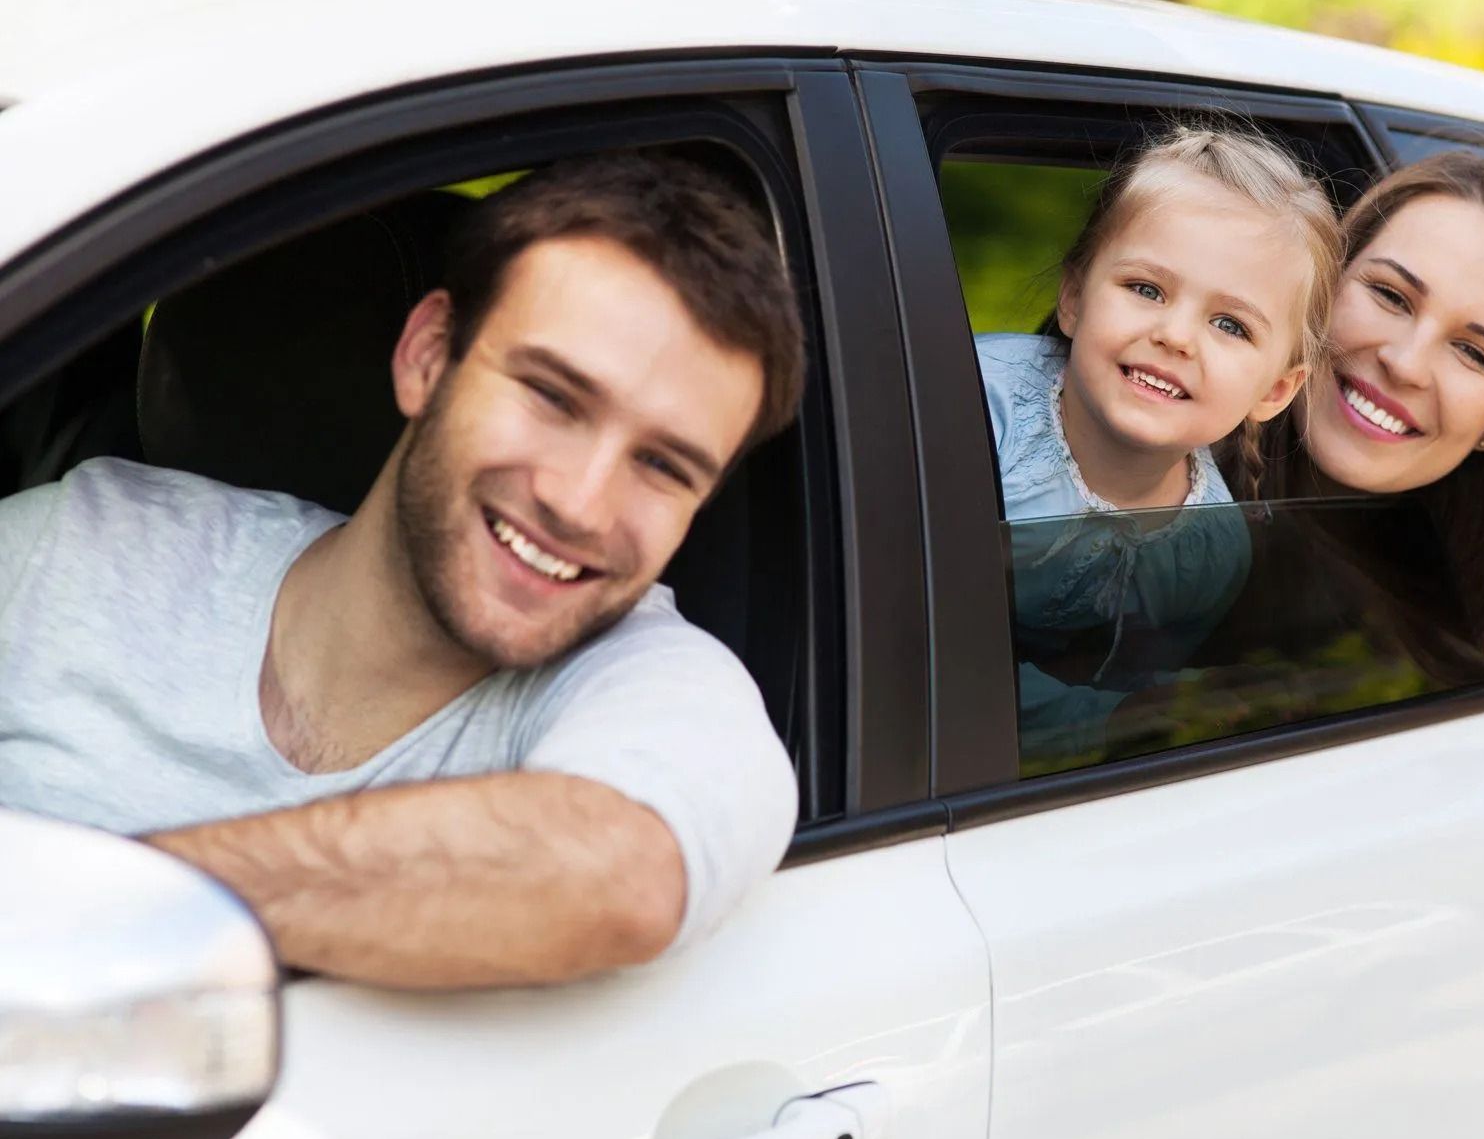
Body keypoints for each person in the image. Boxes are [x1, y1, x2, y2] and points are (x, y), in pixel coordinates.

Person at [0, 150, 807, 989]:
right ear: (427, 356)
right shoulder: (78, 545)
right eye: (552, 397)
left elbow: (624, 872)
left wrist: (90, 917)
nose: (582, 504)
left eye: (665, 466)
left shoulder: (666, 687)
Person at [972, 124, 1342, 764]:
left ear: (1276, 391)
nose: (1175, 335)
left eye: (1229, 324)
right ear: (1073, 298)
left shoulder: (1211, 552)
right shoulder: (974, 409)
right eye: (1146, 289)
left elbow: (1127, 704)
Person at [1223, 150, 1484, 680]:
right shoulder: (1149, 457)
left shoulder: (1458, 659)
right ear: (1324, 280)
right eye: (1391, 295)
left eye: (1474, 353)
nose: (1405, 363)